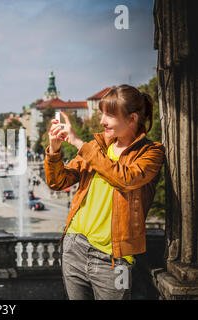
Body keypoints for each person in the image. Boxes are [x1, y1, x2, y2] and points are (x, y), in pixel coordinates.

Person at [45, 85, 165, 300]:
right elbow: (58, 181)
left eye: (109, 115)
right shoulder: (97, 147)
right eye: (102, 113)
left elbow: (125, 179)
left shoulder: (151, 153)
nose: (102, 121)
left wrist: (80, 144)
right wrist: (54, 150)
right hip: (75, 247)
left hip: (114, 258)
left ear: (132, 119)